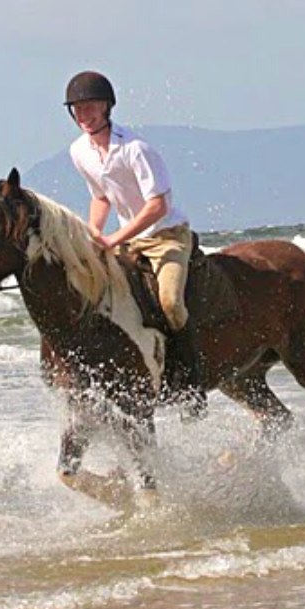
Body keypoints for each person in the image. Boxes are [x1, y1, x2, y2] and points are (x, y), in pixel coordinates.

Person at [65, 70, 204, 410]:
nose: (85, 115)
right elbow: (101, 197)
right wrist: (94, 231)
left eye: (91, 107)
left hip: (167, 236)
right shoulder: (79, 151)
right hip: (129, 240)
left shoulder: (136, 149)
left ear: (107, 107)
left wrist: (115, 238)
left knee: (170, 301)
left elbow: (158, 205)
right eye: (78, 109)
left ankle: (191, 376)